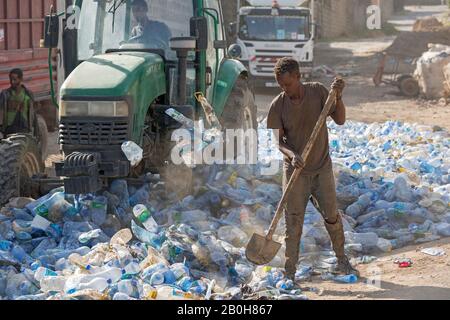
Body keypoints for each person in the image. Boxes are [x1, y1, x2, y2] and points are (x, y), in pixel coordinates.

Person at [267, 57, 359, 282]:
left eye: (288, 83)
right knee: (293, 221)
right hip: (295, 172)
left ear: (298, 77)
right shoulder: (278, 105)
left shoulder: (318, 92)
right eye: (281, 84)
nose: (284, 89)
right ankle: (290, 270)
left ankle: (341, 259)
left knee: (331, 216)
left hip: (321, 168)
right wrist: (292, 154)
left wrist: (338, 96)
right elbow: (279, 142)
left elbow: (340, 120)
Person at [0, 68, 34, 135]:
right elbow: (1, 111)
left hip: (24, 129)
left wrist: (31, 129)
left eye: (14, 79)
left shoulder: (28, 95)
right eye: (11, 79)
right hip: (9, 130)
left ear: (21, 79)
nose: (12, 82)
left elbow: (31, 114)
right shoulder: (5, 94)